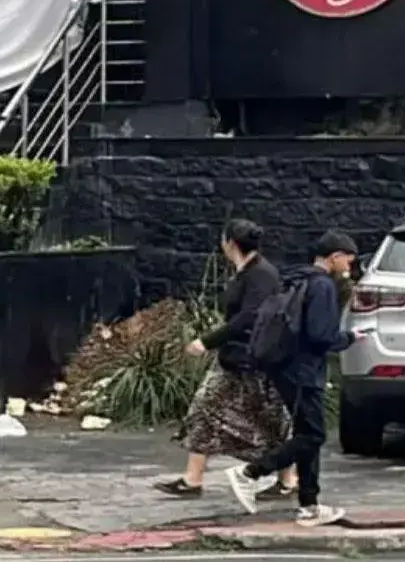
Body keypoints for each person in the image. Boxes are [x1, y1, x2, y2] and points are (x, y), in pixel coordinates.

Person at [225, 230, 366, 527]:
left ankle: (309, 505)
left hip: (285, 367)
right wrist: (349, 338)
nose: (349, 269)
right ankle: (250, 473)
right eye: (348, 262)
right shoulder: (323, 286)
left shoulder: (294, 278)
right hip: (304, 372)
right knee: (313, 435)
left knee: (307, 435)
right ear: (335, 256)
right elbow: (320, 335)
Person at [153, 219, 298, 499]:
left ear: (229, 243)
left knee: (272, 420)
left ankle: (288, 479)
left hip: (256, 361)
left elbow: (248, 318)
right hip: (232, 359)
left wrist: (206, 341)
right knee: (204, 408)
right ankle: (192, 480)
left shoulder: (262, 275)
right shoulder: (244, 272)